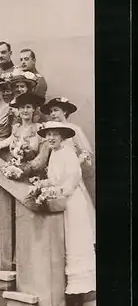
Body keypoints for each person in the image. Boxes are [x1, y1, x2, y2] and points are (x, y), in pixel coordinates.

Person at [37, 121, 96, 306]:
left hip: (72, 203)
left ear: (62, 137)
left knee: (75, 243)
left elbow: (70, 183)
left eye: (55, 134)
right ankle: (70, 291)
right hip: (62, 202)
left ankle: (78, 292)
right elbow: (56, 179)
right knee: (64, 243)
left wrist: (53, 191)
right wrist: (42, 184)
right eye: (48, 135)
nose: (51, 138)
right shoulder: (54, 153)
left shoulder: (69, 153)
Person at [40, 96, 96, 237]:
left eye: (56, 110)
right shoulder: (51, 131)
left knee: (76, 214)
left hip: (71, 175)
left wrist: (75, 162)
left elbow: (86, 152)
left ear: (65, 112)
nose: (53, 114)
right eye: (51, 111)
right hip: (57, 173)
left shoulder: (73, 129)